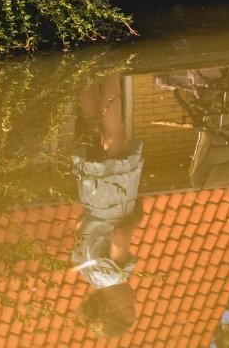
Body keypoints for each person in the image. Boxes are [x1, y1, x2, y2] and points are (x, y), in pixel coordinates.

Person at [71, 73, 146, 337]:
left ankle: (114, 69)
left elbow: (119, 235)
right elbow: (79, 224)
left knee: (115, 137)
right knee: (97, 130)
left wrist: (137, 215)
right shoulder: (86, 272)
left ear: (111, 307)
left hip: (114, 199)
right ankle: (83, 70)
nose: (134, 300)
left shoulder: (116, 275)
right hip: (92, 197)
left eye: (128, 307)